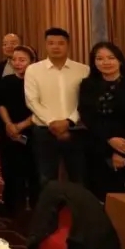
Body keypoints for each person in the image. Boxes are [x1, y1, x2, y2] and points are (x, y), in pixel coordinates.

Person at [79, 42, 125, 197]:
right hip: (97, 147)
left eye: (111, 58)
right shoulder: (87, 85)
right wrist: (109, 139)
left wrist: (122, 152)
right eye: (99, 58)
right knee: (99, 197)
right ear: (94, 62)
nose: (105, 62)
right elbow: (87, 116)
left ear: (120, 60)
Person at [24, 27, 89, 186]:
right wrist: (52, 122)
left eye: (60, 43)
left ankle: (78, 204)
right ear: (45, 45)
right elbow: (32, 100)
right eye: (51, 43)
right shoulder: (33, 70)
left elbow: (85, 101)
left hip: (75, 131)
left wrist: (69, 122)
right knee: (46, 179)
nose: (56, 47)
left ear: (68, 45)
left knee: (79, 178)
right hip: (44, 131)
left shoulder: (83, 69)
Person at [0, 45, 39, 215]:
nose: (17, 63)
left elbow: (41, 109)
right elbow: (0, 104)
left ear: (32, 62)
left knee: (32, 172)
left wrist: (21, 126)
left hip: (32, 131)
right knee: (9, 170)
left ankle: (35, 207)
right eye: (14, 60)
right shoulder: (6, 80)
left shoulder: (38, 82)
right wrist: (9, 124)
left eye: (22, 60)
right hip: (9, 131)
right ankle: (11, 207)